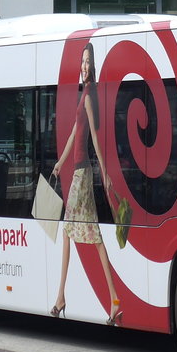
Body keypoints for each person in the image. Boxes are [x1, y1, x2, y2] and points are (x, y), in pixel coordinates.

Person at [49, 43, 124, 325]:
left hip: (83, 175)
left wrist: (105, 174)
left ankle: (61, 297)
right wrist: (60, 161)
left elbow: (93, 137)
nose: (83, 66)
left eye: (87, 62)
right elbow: (73, 134)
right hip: (79, 171)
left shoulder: (90, 97)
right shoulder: (84, 96)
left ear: (93, 67)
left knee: (76, 231)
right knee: (87, 235)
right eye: (81, 61)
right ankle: (112, 300)